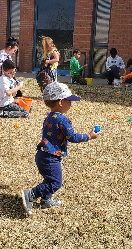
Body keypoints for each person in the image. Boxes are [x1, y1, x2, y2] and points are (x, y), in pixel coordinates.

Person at [21, 82, 100, 215]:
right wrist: (89, 136)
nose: (71, 103)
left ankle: (46, 200)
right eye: (69, 100)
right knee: (56, 182)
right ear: (61, 102)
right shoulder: (62, 119)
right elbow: (72, 137)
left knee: (50, 179)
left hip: (43, 155)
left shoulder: (50, 116)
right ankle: (31, 194)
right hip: (50, 157)